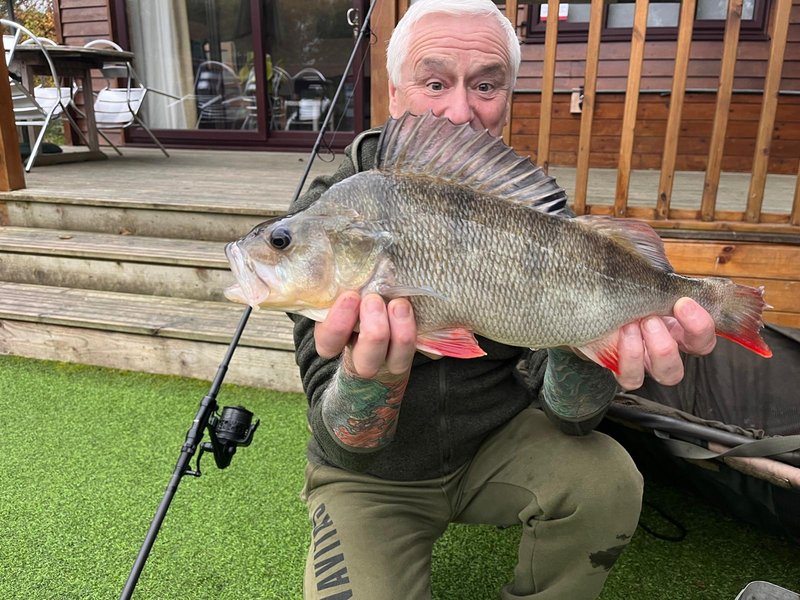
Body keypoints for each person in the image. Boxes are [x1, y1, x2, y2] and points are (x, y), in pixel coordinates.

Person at [288, 1, 717, 598]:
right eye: (434, 82)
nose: (461, 111)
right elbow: (340, 440)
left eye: (486, 85)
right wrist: (372, 378)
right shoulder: (326, 224)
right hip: (371, 477)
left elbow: (572, 420)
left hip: (497, 447)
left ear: (508, 96)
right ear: (393, 92)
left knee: (606, 478)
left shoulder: (538, 220)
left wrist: (596, 347)